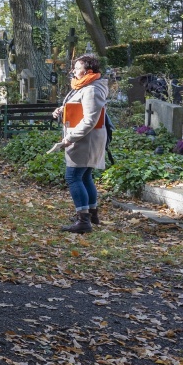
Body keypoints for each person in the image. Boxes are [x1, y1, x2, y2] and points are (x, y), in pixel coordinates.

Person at [52, 54, 109, 234]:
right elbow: (81, 108)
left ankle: (83, 220)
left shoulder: (92, 88)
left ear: (88, 71)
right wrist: (63, 110)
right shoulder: (85, 85)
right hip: (85, 139)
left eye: (77, 68)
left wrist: (71, 138)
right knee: (84, 177)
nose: (73, 71)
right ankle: (91, 214)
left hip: (85, 140)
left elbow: (90, 119)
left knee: (73, 177)